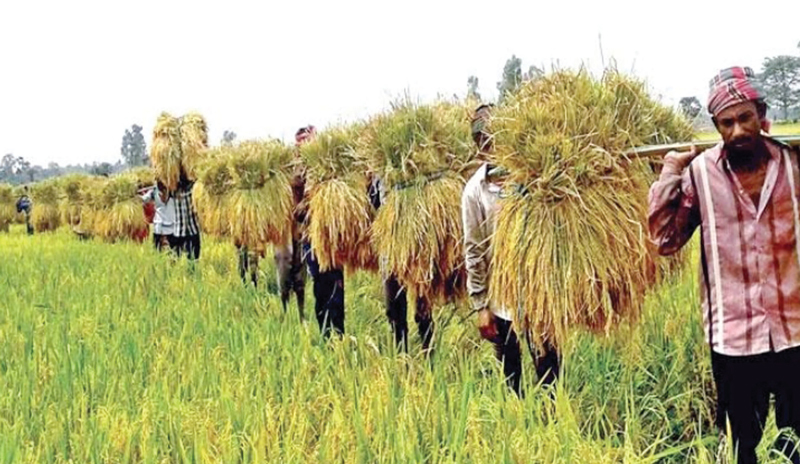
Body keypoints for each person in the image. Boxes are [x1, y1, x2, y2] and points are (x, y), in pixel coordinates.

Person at [649, 66, 800, 464]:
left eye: (745, 118)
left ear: (761, 115)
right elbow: (665, 240)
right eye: (726, 123)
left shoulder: (793, 164)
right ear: (716, 126)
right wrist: (670, 171)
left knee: (797, 441)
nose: (737, 131)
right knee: (742, 444)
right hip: (734, 336)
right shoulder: (700, 175)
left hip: (795, 330)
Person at [461, 103, 559, 396]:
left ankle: (553, 434)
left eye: (497, 138)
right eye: (485, 142)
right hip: (501, 301)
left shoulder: (533, 176)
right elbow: (474, 250)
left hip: (540, 297)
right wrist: (481, 306)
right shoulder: (474, 190)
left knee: (550, 376)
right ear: (480, 147)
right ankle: (517, 431)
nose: (492, 146)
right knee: (511, 380)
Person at [273, 126, 311, 322]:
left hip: (302, 224)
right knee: (283, 262)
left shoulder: (313, 165)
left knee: (300, 269)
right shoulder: (286, 165)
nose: (301, 146)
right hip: (284, 223)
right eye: (299, 142)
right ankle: (284, 310)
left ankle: (301, 313)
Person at [170, 172, 201, 260]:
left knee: (194, 258)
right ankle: (172, 273)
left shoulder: (193, 190)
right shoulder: (172, 191)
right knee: (174, 259)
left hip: (192, 230)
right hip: (178, 232)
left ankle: (192, 273)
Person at [139, 180, 175, 252]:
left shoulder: (174, 190)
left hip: (171, 227)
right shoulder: (154, 192)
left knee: (173, 252)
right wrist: (133, 196)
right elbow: (143, 199)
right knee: (158, 250)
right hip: (158, 226)